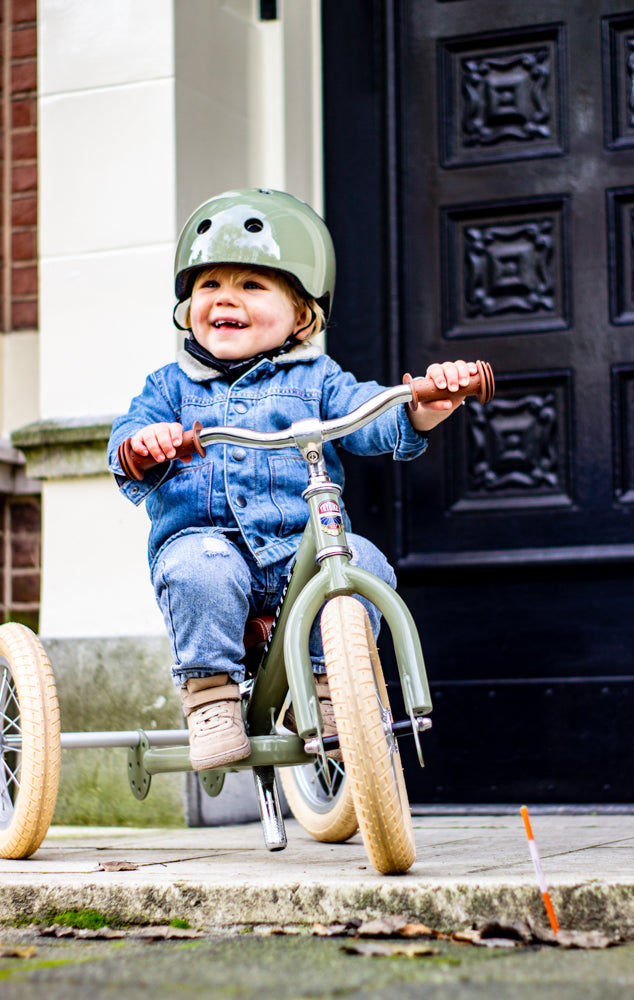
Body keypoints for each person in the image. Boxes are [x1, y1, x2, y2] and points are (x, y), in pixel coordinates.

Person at [108, 188, 477, 772]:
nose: (226, 298)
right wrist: (143, 445)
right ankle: (209, 695)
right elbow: (128, 438)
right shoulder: (168, 388)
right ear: (187, 305)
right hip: (209, 545)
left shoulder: (318, 380)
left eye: (251, 285)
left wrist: (426, 403)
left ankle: (336, 691)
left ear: (302, 314)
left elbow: (370, 413)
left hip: (295, 556)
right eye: (210, 286)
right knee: (197, 569)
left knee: (365, 564)